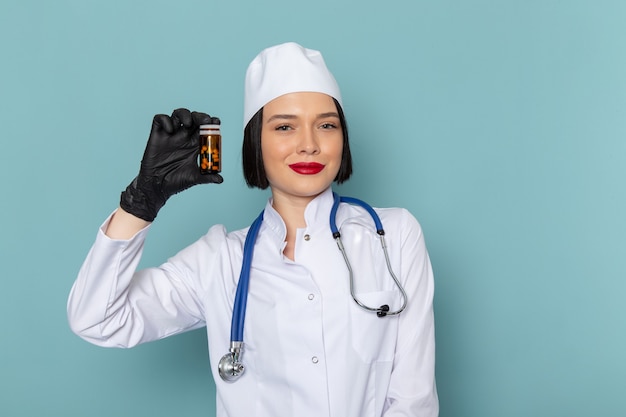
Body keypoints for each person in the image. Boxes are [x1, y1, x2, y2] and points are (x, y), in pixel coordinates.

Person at [67, 42, 439, 416]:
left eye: (326, 125)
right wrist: (141, 201)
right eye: (284, 127)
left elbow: (414, 400)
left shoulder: (394, 236)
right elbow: (98, 318)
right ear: (256, 142)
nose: (309, 145)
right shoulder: (219, 262)